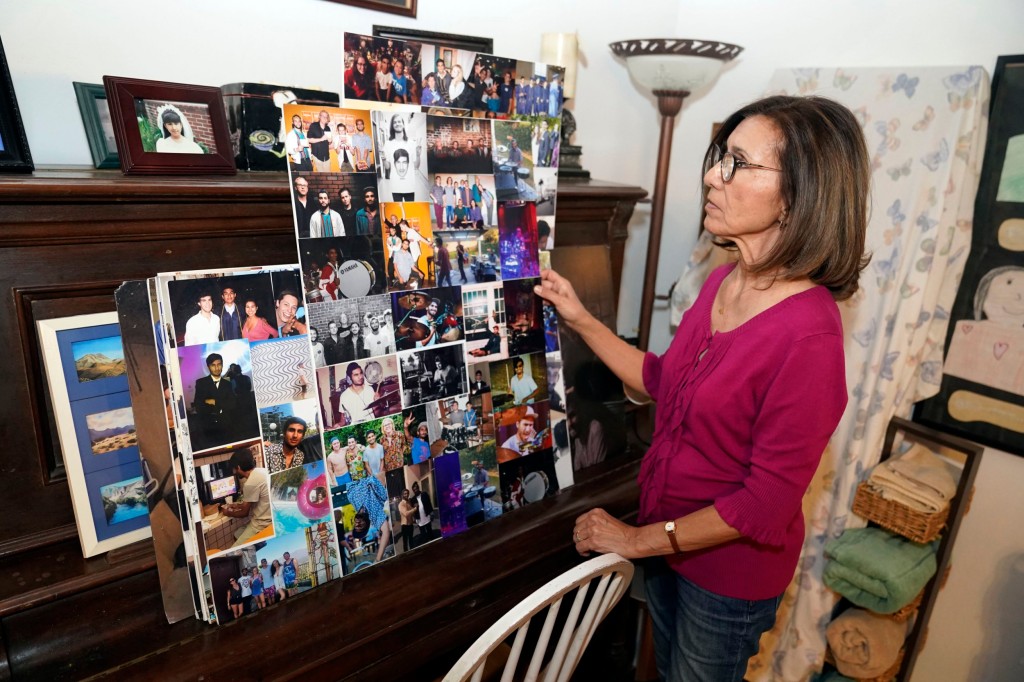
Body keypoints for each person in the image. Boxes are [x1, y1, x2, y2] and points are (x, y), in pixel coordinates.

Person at [536, 95, 869, 682]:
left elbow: (763, 502)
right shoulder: (722, 281)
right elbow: (661, 381)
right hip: (669, 545)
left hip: (726, 581)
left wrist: (639, 540)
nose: (713, 176)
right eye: (721, 157)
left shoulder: (809, 336)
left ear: (796, 197)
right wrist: (580, 316)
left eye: (738, 163)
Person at [220, 447, 272, 547]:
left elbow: (244, 513)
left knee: (233, 548)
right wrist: (236, 506)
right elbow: (251, 502)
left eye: (235, 469)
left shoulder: (250, 483)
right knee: (236, 534)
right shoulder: (262, 471)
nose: (235, 472)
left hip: (261, 525)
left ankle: (255, 545)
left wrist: (227, 512)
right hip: (269, 520)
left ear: (238, 467)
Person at [192, 352, 235, 442]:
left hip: (226, 426)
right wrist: (222, 405)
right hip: (208, 427)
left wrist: (214, 402)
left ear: (222, 365)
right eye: (213, 365)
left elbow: (232, 404)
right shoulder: (201, 383)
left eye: (219, 365)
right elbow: (198, 405)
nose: (217, 368)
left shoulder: (227, 384)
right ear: (208, 367)